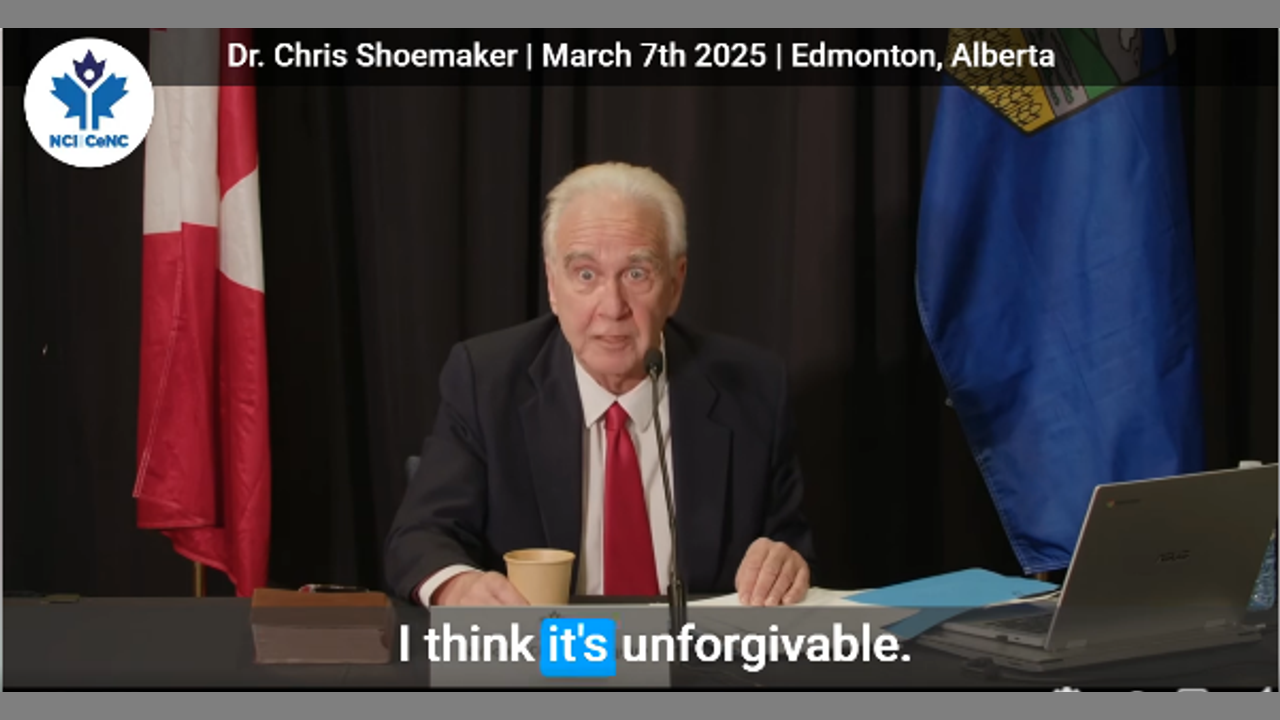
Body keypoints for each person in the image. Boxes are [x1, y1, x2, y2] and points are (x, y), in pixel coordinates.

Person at [384, 162, 815, 607]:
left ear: (675, 283)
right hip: (549, 647)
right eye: (586, 274)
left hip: (696, 649)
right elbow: (419, 536)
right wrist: (459, 586)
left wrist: (784, 564)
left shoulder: (753, 389)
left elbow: (789, 547)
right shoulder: (487, 381)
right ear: (553, 285)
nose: (612, 307)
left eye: (636, 273)